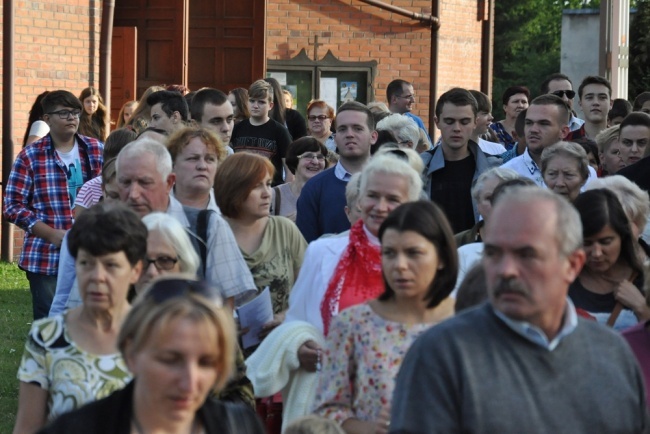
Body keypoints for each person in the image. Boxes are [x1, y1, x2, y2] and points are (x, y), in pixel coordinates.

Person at [390, 186, 649, 433]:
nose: (506, 270)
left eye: (526, 254)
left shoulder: (613, 354)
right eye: (493, 253)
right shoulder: (442, 354)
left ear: (572, 264)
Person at [245, 155, 423, 429]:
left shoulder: (427, 263)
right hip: (328, 404)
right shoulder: (322, 252)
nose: (380, 207)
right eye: (372, 196)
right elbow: (298, 321)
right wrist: (299, 349)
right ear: (359, 200)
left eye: (393, 199)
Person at [38, 277, 265, 434]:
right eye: (170, 360)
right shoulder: (76, 429)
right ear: (131, 353)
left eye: (206, 362)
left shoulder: (239, 426)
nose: (189, 382)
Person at [312, 201, 457, 433]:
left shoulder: (466, 323)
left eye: (413, 253)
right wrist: (370, 429)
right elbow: (327, 409)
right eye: (389, 253)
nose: (399, 265)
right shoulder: (353, 324)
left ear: (441, 257)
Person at [13, 203, 146, 433]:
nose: (97, 277)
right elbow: (28, 426)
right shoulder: (47, 337)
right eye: (86, 263)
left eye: (111, 265)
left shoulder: (153, 336)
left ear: (135, 270)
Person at [115, 138, 256, 306]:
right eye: (126, 183)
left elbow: (226, 307)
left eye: (144, 183)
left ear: (169, 183)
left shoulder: (208, 226)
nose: (133, 194)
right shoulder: (107, 231)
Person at [4, 90, 104, 320]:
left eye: (75, 112)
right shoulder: (30, 156)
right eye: (64, 113)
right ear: (47, 119)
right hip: (46, 255)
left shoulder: (96, 149)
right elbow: (12, 205)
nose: (72, 118)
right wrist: (49, 234)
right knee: (50, 323)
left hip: (91, 251)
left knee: (89, 321)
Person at [215, 153, 307, 328]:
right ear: (232, 189)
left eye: (268, 184)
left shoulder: (284, 229)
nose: (267, 194)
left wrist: (284, 317)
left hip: (280, 344)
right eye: (257, 186)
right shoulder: (213, 234)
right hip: (227, 348)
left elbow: (308, 291)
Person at [422, 87, 502, 234]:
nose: (457, 128)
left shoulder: (495, 170)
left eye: (464, 122)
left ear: (475, 123)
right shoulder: (419, 168)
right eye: (449, 121)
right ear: (437, 122)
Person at [296, 101, 377, 242]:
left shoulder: (392, 185)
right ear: (335, 137)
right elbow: (305, 249)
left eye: (358, 128)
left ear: (373, 136)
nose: (349, 134)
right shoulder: (314, 188)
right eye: (342, 129)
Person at [570, 189, 649, 330]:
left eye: (605, 242)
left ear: (622, 237)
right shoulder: (561, 280)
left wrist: (641, 308)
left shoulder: (645, 280)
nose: (597, 253)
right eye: (587, 243)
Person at [230, 80, 293, 186]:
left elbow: (290, 170)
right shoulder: (237, 128)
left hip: (270, 190)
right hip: (240, 190)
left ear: (270, 105)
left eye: (261, 102)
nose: (255, 105)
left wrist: (284, 196)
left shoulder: (280, 131)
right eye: (252, 101)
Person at [167, 126, 227, 211]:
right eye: (193, 158)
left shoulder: (229, 210)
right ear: (172, 164)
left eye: (210, 159)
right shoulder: (155, 206)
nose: (202, 166)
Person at [273, 136, 329, 222]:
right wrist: (285, 225)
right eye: (308, 156)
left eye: (320, 157)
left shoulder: (331, 196)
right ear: (294, 160)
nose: (315, 162)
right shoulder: (275, 195)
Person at [190, 88, 235, 154]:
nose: (226, 128)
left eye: (229, 120)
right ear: (195, 125)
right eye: (216, 122)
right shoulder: (178, 158)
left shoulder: (229, 154)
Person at [385, 79, 431, 143]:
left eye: (413, 96)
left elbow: (428, 148)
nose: (413, 100)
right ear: (394, 99)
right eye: (408, 97)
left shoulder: (416, 121)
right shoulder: (381, 122)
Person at [568, 75, 612, 140]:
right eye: (589, 98)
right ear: (580, 104)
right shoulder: (568, 142)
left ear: (611, 104)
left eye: (602, 97)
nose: (595, 102)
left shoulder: (620, 140)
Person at [489, 85, 529, 149]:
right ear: (505, 107)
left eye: (524, 102)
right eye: (516, 102)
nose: (520, 105)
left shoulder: (532, 130)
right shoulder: (493, 130)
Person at [468, 89, 506, 155]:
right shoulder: (447, 150)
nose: (491, 118)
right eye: (485, 113)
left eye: (490, 113)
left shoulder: (498, 150)